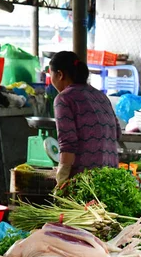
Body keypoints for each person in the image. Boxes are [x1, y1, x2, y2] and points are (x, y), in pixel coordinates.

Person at [50, 51, 121, 187]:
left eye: (51, 74)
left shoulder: (64, 98)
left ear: (60, 74)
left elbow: (68, 144)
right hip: (111, 177)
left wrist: (62, 178)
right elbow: (117, 133)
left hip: (85, 180)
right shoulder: (100, 96)